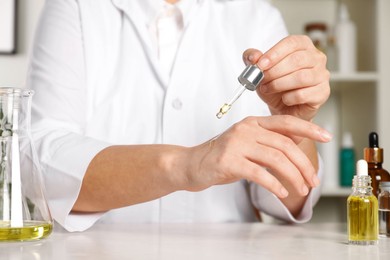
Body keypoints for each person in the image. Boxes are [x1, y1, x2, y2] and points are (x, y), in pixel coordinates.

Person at [27, 0, 331, 232]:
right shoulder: (77, 7)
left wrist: (291, 126)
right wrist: (187, 164)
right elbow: (41, 163)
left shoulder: (256, 16)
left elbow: (286, 202)